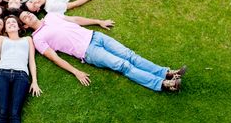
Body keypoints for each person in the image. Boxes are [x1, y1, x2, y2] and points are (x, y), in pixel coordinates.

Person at [19, 11, 187, 92]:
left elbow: (75, 19)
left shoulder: (50, 16)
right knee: (123, 65)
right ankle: (163, 84)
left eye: (27, 13)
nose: (28, 16)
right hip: (88, 52)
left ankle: (166, 73)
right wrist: (76, 71)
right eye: (24, 19)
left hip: (96, 36)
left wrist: (98, 21)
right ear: (26, 26)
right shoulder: (37, 39)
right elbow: (55, 58)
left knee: (130, 55)